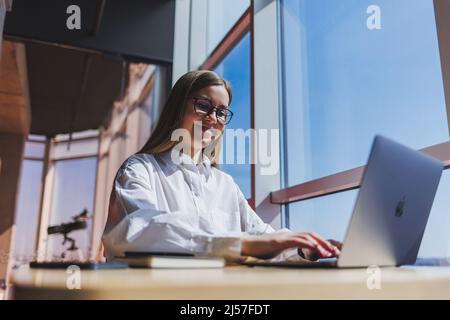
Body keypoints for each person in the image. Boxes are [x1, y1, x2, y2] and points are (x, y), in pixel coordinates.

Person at [102, 70, 341, 262]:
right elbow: (143, 229)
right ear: (177, 108)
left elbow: (262, 235)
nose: (213, 118)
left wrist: (304, 248)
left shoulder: (223, 184)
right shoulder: (138, 169)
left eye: (221, 112)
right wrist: (242, 244)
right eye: (204, 106)